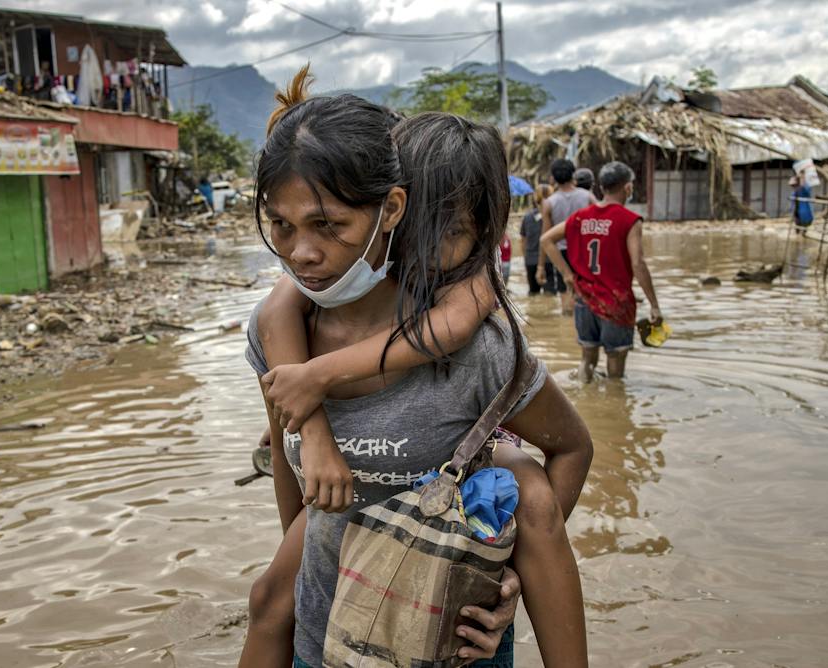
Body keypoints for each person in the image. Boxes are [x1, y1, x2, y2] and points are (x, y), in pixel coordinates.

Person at [241, 71, 593, 668]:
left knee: (523, 486)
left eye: (329, 225)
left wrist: (506, 580)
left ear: (391, 211)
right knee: (267, 599)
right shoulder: (279, 331)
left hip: (445, 642)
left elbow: (570, 449)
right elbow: (288, 461)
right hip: (325, 639)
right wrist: (303, 575)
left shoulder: (475, 345)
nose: (302, 252)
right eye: (281, 226)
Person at [542, 161, 661, 381]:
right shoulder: (629, 220)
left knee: (587, 359)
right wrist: (654, 304)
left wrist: (568, 275)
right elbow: (638, 264)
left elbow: (546, 240)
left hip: (584, 300)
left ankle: (586, 405)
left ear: (602, 187)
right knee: (616, 369)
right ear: (627, 188)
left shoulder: (580, 217)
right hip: (616, 303)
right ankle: (615, 409)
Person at [538, 159, 594, 315]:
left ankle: (567, 330)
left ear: (553, 179)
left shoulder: (549, 202)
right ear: (573, 175)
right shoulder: (587, 197)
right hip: (586, 253)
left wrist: (541, 266)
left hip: (561, 255)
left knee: (567, 305)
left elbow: (545, 236)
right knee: (588, 300)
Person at [521, 184, 552, 295]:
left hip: (531, 260)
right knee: (550, 294)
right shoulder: (552, 215)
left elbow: (523, 241)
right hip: (549, 260)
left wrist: (526, 258)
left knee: (533, 294)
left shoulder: (527, 217)